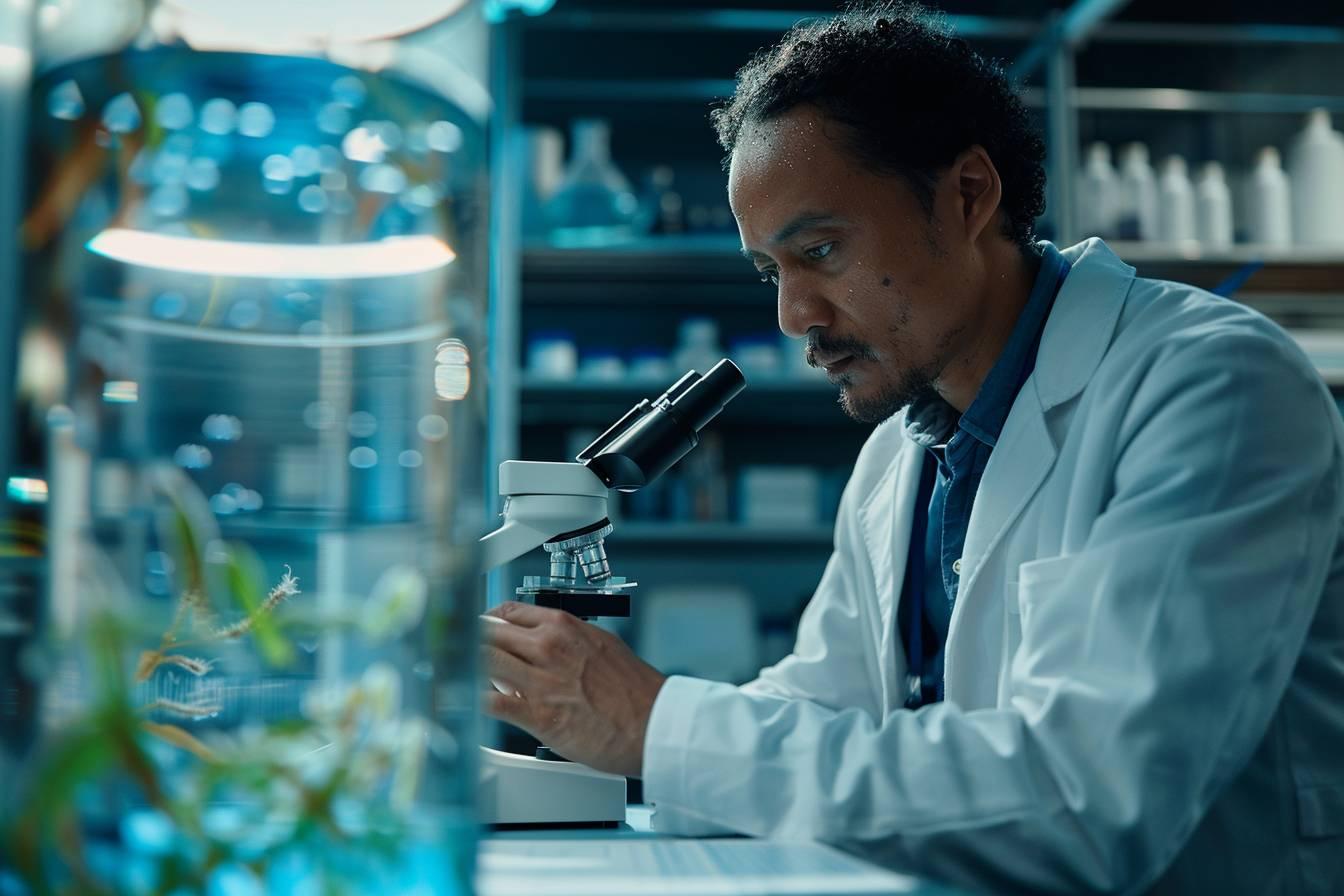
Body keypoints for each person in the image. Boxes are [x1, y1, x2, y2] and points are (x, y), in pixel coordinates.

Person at [481, 3, 1344, 893]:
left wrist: (657, 722)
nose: (794, 317)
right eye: (772, 272)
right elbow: (822, 707)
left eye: (820, 250)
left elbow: (1089, 798)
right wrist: (588, 729)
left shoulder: (1212, 385)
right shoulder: (903, 454)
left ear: (968, 195)